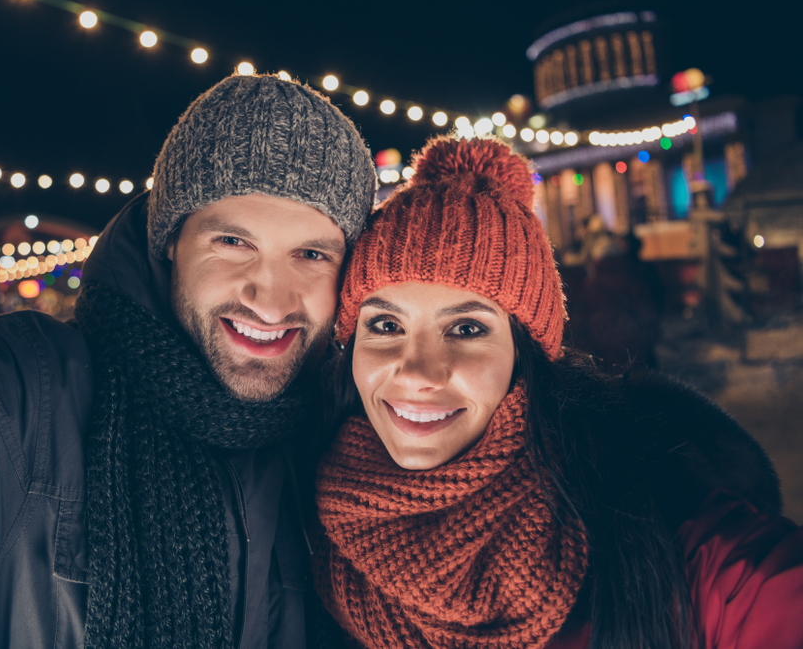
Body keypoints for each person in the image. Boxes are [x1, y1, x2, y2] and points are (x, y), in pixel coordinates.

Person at [0, 74, 377, 649]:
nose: (271, 298)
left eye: (311, 254)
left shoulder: (358, 433)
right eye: (232, 242)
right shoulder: (27, 399)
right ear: (171, 239)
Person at [312, 137, 803, 649]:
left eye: (467, 330)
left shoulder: (660, 518)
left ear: (525, 353)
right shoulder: (297, 521)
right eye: (386, 324)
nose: (416, 373)